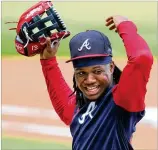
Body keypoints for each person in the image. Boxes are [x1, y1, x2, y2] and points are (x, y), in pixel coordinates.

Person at [40, 15, 153, 150]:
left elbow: (141, 58)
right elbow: (65, 109)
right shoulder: (81, 105)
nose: (89, 80)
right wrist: (48, 61)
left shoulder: (122, 100)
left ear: (111, 67)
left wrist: (125, 25)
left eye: (97, 71)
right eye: (81, 73)